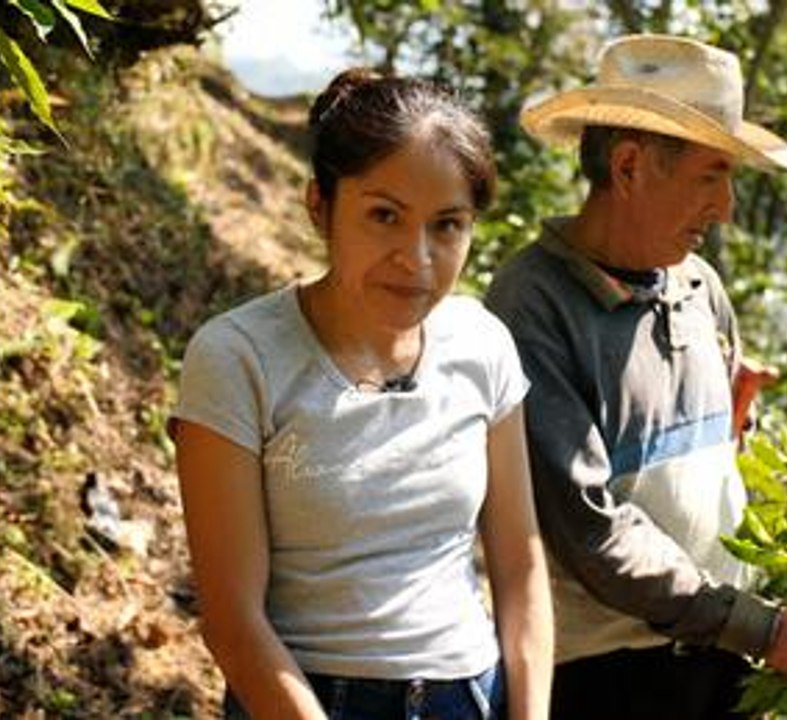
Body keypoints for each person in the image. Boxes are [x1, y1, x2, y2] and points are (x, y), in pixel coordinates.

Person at [485, 35, 787, 719]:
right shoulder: (532, 307)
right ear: (629, 167)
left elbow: (729, 471)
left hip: (727, 661)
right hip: (609, 683)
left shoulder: (697, 288)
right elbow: (592, 533)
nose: (724, 206)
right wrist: (770, 630)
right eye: (710, 174)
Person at [172, 68, 552, 720]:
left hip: (466, 696)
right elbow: (232, 621)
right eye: (384, 216)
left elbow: (520, 568)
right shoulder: (239, 357)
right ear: (319, 204)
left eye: (447, 225)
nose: (418, 259)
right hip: (300, 699)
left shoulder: (482, 345)